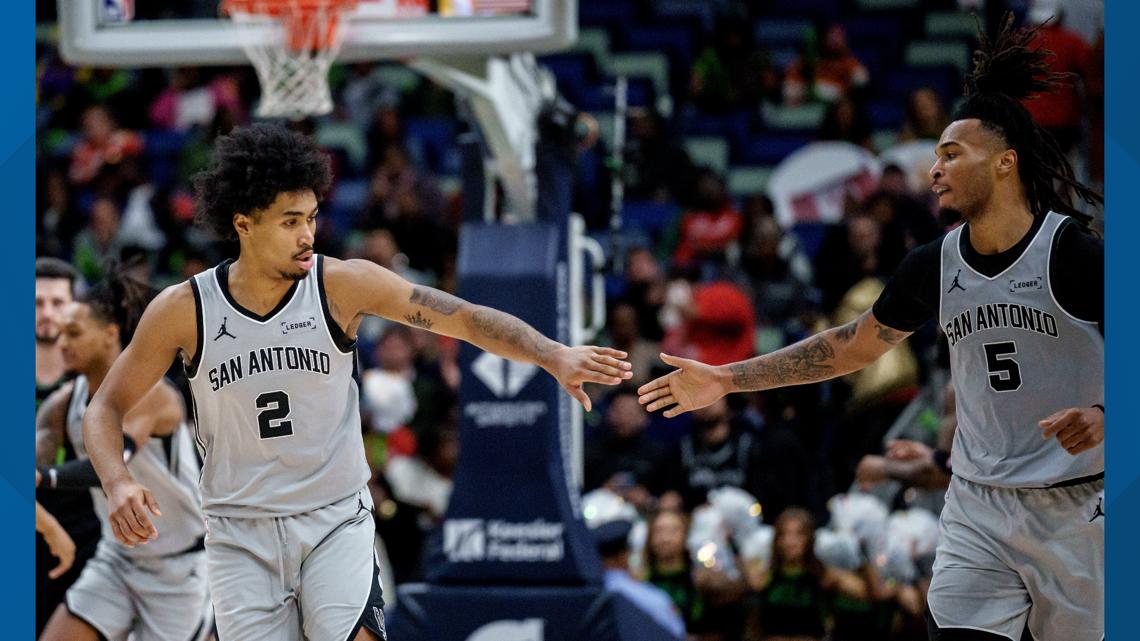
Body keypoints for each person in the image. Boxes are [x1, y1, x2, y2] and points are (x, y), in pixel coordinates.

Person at [640, 16, 1104, 641]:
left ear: (1005, 163)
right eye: (935, 156)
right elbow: (849, 348)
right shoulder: (934, 265)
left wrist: (1107, 413)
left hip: (1078, 501)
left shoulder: (1074, 256)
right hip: (980, 505)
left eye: (951, 155)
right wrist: (727, 379)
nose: (934, 170)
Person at [82, 123, 633, 641]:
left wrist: (550, 353)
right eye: (290, 221)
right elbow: (104, 408)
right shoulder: (184, 309)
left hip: (333, 520)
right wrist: (118, 481)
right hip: (238, 532)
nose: (307, 234)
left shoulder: (341, 286)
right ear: (243, 223)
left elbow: (463, 318)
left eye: (311, 217)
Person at [37, 267, 212, 641]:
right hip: (116, 560)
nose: (62, 343)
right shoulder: (61, 406)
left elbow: (115, 460)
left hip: (179, 566)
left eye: (74, 333)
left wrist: (46, 477)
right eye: (61, 333)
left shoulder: (152, 394)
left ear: (110, 334)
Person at [34, 257, 103, 637]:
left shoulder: (95, 377)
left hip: (87, 526)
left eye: (57, 303)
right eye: (36, 303)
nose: (47, 313)